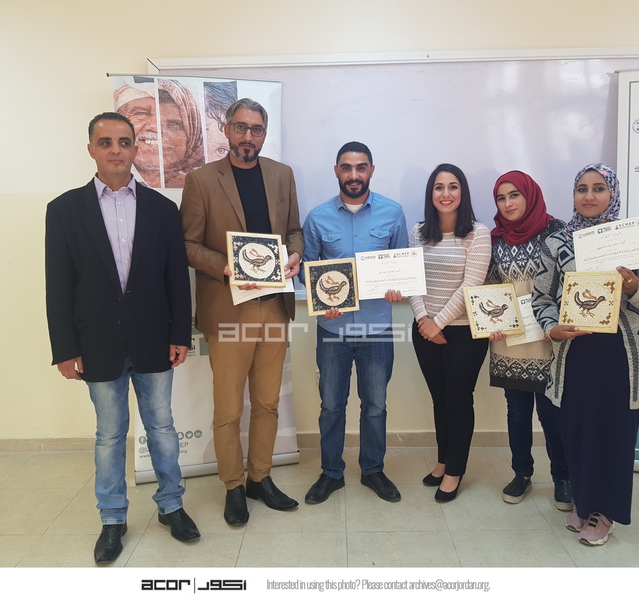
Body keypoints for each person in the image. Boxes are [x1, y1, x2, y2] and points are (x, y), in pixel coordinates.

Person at [45, 112, 199, 565]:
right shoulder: (64, 210)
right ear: (91, 149)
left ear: (135, 148)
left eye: (124, 142)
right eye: (105, 142)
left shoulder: (162, 209)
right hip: (97, 343)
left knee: (162, 428)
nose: (116, 150)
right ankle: (112, 518)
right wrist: (65, 348)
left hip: (154, 339)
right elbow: (58, 284)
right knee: (110, 436)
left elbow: (177, 279)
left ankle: (172, 506)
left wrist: (180, 333)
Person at [180, 98, 303, 525]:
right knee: (229, 409)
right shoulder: (200, 180)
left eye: (256, 129)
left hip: (274, 307)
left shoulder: (282, 175)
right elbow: (187, 244)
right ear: (226, 130)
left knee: (268, 404)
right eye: (241, 127)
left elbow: (294, 231)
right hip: (229, 309)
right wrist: (225, 266)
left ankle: (260, 478)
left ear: (264, 133)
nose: (248, 136)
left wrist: (295, 254)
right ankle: (233, 485)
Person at [532, 163, 639, 546]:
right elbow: (542, 297)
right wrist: (551, 328)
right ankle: (585, 500)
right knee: (576, 430)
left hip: (620, 357)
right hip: (573, 354)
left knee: (613, 434)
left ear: (613, 193)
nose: (589, 196)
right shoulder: (558, 242)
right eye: (581, 188)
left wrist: (634, 287)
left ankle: (604, 512)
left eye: (598, 188)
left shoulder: (633, 241)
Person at [301, 142, 407, 505]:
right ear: (337, 171)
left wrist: (398, 287)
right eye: (346, 167)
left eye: (361, 167)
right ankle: (331, 473)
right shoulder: (317, 217)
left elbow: (401, 264)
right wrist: (321, 300)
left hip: (377, 328)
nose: (354, 175)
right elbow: (307, 271)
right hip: (333, 330)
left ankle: (372, 470)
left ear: (371, 170)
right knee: (331, 405)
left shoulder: (393, 212)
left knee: (375, 405)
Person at [486, 171, 572, 509]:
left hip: (550, 338)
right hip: (511, 341)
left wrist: (558, 323)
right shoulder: (496, 240)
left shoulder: (557, 232)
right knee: (517, 413)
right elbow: (490, 289)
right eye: (501, 198)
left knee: (552, 415)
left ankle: (562, 477)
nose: (508, 204)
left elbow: (570, 282)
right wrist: (489, 323)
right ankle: (521, 474)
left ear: (530, 195)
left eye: (514, 195)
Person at [409, 164, 491, 503]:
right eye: (439, 187)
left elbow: (470, 286)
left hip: (464, 333)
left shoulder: (478, 233)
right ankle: (443, 461)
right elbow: (412, 280)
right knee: (439, 399)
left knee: (457, 401)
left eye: (453, 186)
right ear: (431, 193)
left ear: (463, 192)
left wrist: (438, 323)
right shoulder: (418, 231)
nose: (446, 193)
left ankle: (455, 470)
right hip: (424, 329)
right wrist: (423, 320)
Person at [114, 77, 204, 188]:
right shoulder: (108, 184)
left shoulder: (203, 185)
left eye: (173, 123)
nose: (156, 128)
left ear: (192, 137)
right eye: (141, 113)